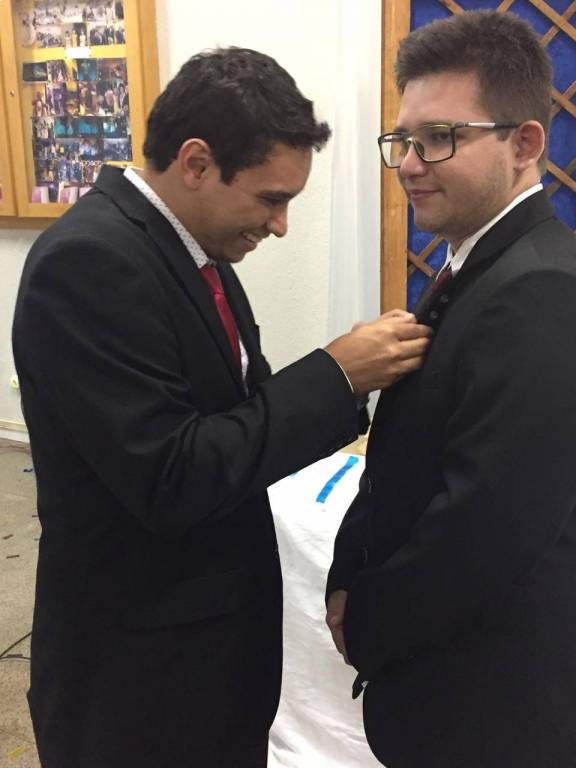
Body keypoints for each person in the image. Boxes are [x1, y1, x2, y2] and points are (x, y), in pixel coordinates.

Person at [13, 47, 431, 768]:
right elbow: (171, 476)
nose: (280, 225)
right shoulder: (89, 262)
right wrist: (336, 375)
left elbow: (238, 417)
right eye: (271, 199)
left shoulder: (194, 253)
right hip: (136, 679)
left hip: (207, 658)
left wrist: (342, 384)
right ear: (197, 163)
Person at [326, 11, 576, 768]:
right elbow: (407, 452)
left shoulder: (541, 287)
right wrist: (347, 567)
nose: (409, 164)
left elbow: (486, 526)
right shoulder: (477, 264)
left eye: (439, 138)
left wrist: (368, 618)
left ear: (524, 145)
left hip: (487, 704)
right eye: (402, 140)